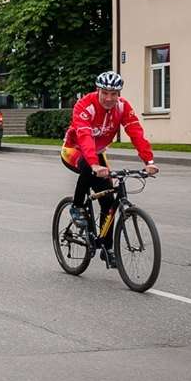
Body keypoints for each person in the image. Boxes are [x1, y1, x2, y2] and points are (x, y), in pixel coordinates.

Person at [61, 71, 159, 266]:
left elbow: (136, 132)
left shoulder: (122, 107)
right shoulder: (85, 106)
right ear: (98, 90)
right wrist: (94, 163)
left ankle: (107, 247)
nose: (109, 98)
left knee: (109, 201)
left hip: (97, 153)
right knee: (88, 168)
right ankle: (77, 206)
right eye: (105, 93)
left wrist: (148, 162)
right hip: (75, 149)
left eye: (114, 94)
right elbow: (85, 137)